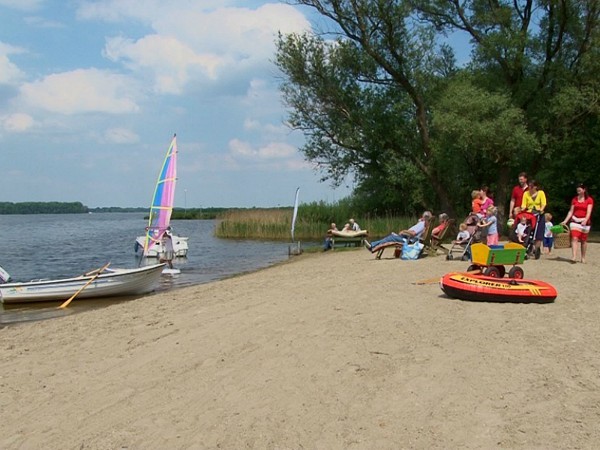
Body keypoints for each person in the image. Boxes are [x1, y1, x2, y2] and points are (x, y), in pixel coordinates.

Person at [365, 211, 433, 251]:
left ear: (424, 217)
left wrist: (404, 231)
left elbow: (413, 233)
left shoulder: (422, 224)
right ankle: (373, 245)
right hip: (407, 238)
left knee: (390, 238)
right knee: (391, 236)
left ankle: (372, 246)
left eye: (422, 217)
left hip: (408, 240)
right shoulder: (424, 224)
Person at [560, 183, 594, 263]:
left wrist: (585, 220)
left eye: (580, 189)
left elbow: (589, 211)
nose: (578, 191)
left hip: (585, 222)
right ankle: (574, 256)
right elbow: (571, 211)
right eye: (577, 189)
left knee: (584, 240)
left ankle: (583, 257)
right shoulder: (574, 199)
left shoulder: (589, 200)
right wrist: (565, 221)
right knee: (574, 238)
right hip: (575, 221)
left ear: (584, 190)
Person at [521, 180, 547, 257]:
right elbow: (524, 204)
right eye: (529, 186)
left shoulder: (541, 193)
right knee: (529, 230)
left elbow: (544, 203)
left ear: (535, 187)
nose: (530, 188)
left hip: (539, 213)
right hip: (530, 214)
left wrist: (541, 209)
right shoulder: (526, 194)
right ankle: (527, 246)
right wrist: (522, 209)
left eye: (531, 187)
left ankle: (537, 248)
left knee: (538, 232)